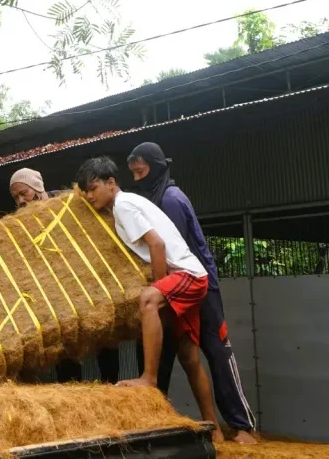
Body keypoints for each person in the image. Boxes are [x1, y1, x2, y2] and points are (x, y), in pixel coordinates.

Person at [74, 156, 223, 443]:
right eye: (86, 192)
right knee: (190, 359)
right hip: (193, 274)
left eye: (93, 188)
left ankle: (149, 378)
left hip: (188, 275)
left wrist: (158, 287)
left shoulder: (124, 205)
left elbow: (157, 244)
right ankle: (214, 431)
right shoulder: (125, 206)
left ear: (111, 183)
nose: (90, 196)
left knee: (148, 300)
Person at [128, 142, 257, 444]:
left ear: (156, 166)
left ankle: (244, 426)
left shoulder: (171, 199)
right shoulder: (152, 198)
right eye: (132, 168)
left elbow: (174, 251)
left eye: (140, 167)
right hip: (177, 286)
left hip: (199, 285)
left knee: (216, 351)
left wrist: (159, 288)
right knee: (173, 353)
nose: (134, 172)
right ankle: (166, 425)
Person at [8, 167, 120, 384]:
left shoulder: (68, 203)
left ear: (37, 188)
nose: (21, 201)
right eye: (16, 197)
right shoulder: (21, 222)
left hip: (90, 281)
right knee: (66, 346)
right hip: (59, 295)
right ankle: (71, 393)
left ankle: (112, 386)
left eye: (24, 193)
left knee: (106, 338)